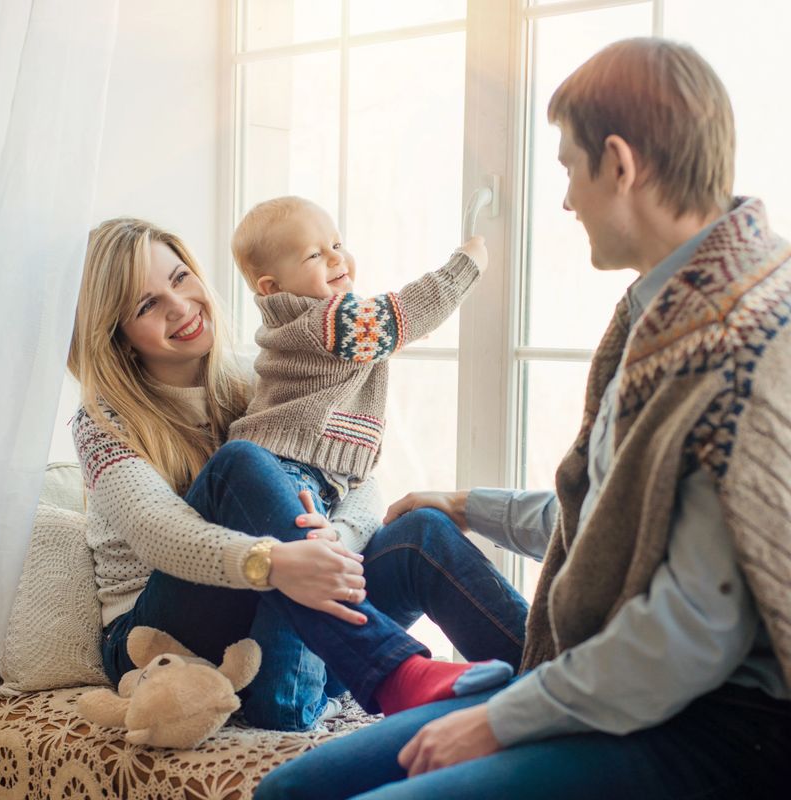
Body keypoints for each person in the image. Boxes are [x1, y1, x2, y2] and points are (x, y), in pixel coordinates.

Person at [253, 37, 791, 799]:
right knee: (289, 792)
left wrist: (497, 722)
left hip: (712, 729)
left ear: (619, 164)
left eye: (569, 168)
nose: (566, 200)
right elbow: (614, 520)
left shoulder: (741, 346)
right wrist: (468, 504)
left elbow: (691, 637)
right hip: (629, 694)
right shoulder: (666, 306)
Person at [68, 216, 527, 733]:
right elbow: (157, 532)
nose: (179, 306)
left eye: (179, 279)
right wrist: (274, 561)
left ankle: (556, 679)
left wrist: (338, 538)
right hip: (159, 643)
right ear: (118, 334)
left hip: (271, 614)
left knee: (421, 535)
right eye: (146, 305)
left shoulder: (254, 377)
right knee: (239, 465)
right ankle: (393, 668)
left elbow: (355, 480)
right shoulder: (102, 421)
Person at [228, 196, 486, 507]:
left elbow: (335, 363)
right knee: (308, 547)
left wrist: (392, 339)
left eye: (336, 245)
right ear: (273, 287)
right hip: (293, 467)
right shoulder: (328, 320)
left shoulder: (294, 322)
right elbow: (407, 311)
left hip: (294, 463)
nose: (336, 259)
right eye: (314, 255)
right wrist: (466, 266)